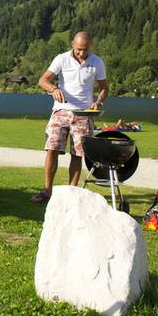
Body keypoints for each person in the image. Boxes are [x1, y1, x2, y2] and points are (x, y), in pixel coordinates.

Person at [31, 31, 108, 204]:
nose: (82, 53)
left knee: (78, 154)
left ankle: (71, 193)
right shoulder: (61, 59)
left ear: (90, 46)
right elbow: (43, 80)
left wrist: (99, 102)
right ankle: (47, 191)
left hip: (83, 113)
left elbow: (104, 88)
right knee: (52, 149)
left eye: (85, 49)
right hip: (61, 111)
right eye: (79, 49)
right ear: (73, 44)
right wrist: (54, 89)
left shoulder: (97, 62)